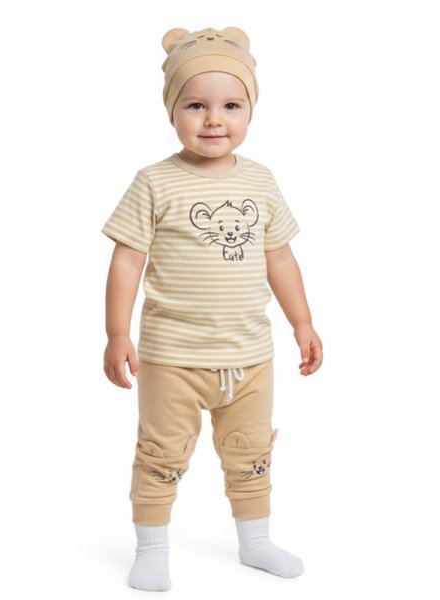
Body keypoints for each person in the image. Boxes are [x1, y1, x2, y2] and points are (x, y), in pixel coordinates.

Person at [101, 26, 323, 592]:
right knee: (161, 454)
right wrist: (117, 334)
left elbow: (280, 258)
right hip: (172, 357)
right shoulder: (155, 182)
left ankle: (255, 541)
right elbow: (127, 260)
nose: (213, 120)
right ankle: (152, 549)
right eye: (195, 105)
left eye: (231, 105)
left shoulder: (262, 181)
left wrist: (302, 323)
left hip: (250, 357)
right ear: (172, 111)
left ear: (251, 110)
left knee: (251, 453)